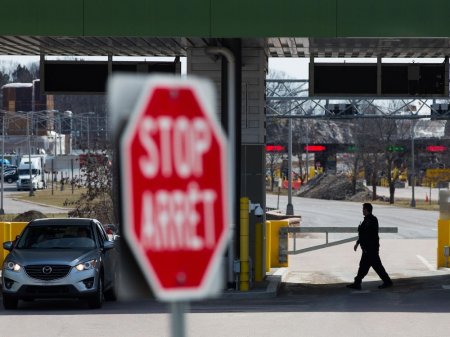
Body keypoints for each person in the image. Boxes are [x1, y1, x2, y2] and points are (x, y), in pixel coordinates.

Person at [346, 203, 393, 290]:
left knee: (377, 266)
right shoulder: (367, 220)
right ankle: (357, 283)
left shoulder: (372, 220)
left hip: (371, 249)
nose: (362, 210)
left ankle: (387, 282)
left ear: (367, 210)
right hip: (367, 249)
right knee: (363, 266)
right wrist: (357, 243)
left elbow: (367, 235)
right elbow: (363, 234)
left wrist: (364, 245)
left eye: (363, 209)